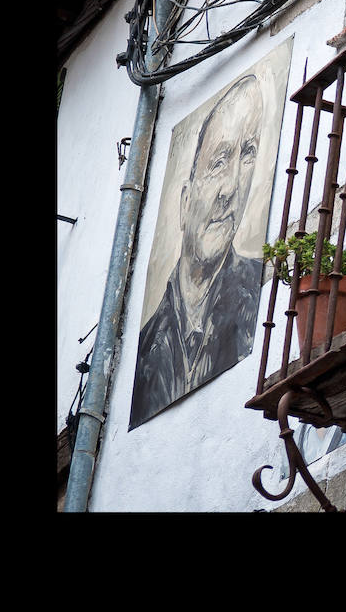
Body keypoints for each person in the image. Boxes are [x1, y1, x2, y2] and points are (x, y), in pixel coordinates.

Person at [130, 75, 266, 428]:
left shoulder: (260, 289)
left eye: (247, 155)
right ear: (185, 200)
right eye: (219, 162)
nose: (231, 188)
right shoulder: (147, 344)